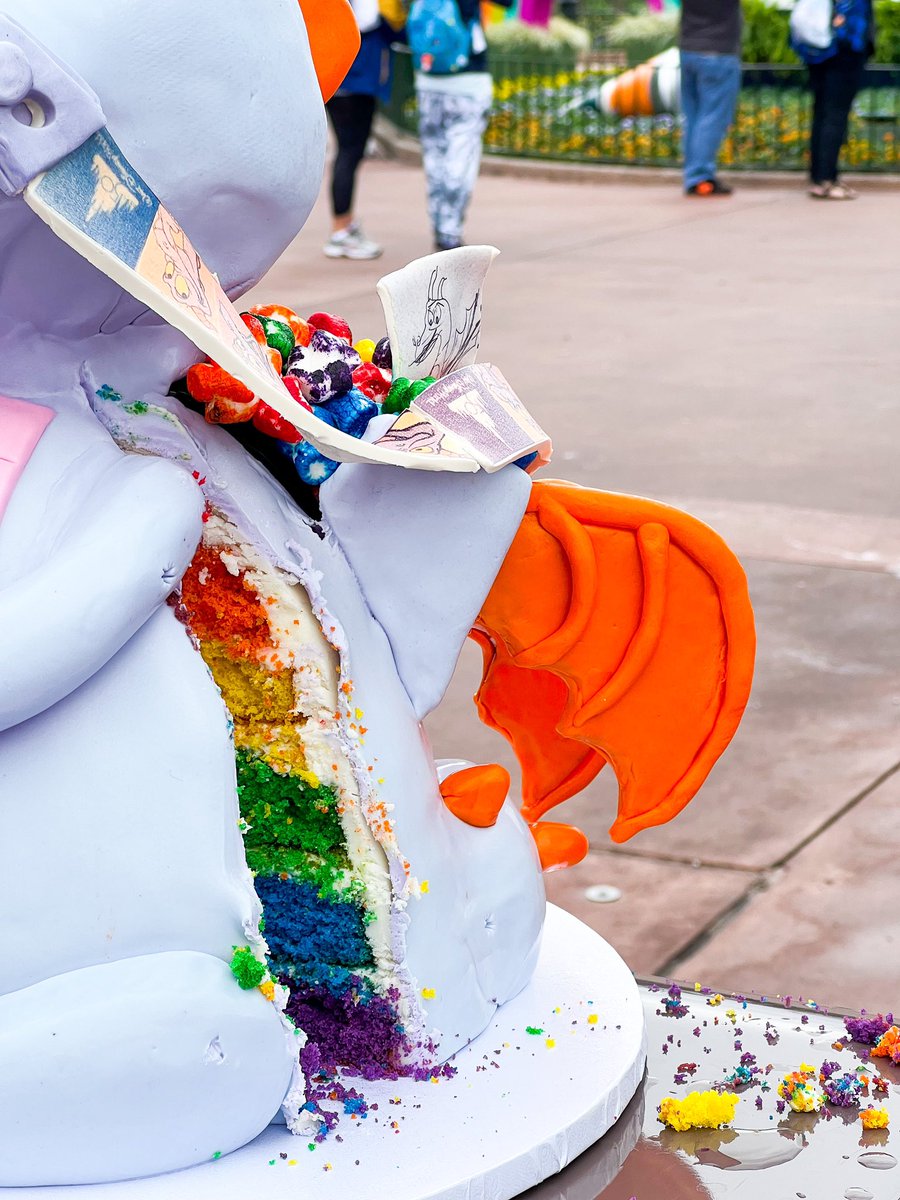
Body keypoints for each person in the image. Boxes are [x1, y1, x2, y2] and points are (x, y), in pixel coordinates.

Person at [414, 0, 504, 251]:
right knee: (460, 159)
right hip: (468, 83)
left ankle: (438, 224)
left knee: (435, 158)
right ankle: (450, 230)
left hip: (428, 80)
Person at [323, 0, 394, 259]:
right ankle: (341, 230)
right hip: (356, 78)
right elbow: (367, 19)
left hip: (338, 73)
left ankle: (343, 226)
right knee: (349, 152)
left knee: (347, 152)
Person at [793, 0, 876, 200]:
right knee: (834, 116)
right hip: (844, 51)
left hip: (819, 51)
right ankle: (826, 179)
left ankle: (819, 177)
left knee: (822, 114)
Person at [679, 0, 743, 197]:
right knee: (713, 118)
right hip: (718, 51)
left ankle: (693, 175)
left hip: (688, 50)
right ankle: (700, 177)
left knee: (693, 117)